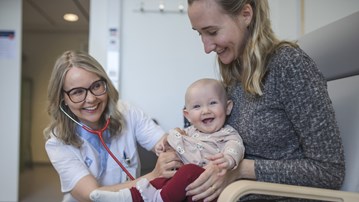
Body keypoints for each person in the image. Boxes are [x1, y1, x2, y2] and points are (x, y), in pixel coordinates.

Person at [184, 0, 345, 201]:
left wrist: (242, 169)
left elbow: (329, 171)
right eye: (200, 33)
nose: (206, 48)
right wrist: (178, 149)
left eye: (213, 32)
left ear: (245, 15)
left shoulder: (289, 66)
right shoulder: (234, 74)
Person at [44, 50, 183, 202]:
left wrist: (175, 140)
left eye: (96, 86)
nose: (91, 99)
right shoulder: (57, 143)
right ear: (63, 99)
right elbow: (92, 195)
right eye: (77, 92)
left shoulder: (128, 112)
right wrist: (154, 176)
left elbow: (166, 144)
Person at [90, 78, 245, 202]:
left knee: (187, 171)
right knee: (165, 178)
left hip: (207, 186)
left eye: (213, 103)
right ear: (188, 115)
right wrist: (166, 144)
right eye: (197, 106)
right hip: (185, 189)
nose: (205, 110)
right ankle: (129, 197)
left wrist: (229, 159)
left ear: (227, 107)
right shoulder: (188, 132)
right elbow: (174, 144)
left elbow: (236, 145)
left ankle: (159, 198)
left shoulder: (227, 133)